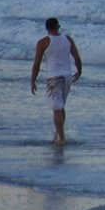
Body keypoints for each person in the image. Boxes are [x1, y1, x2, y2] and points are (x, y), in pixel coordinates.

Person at [30, 17, 83, 145]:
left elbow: (36, 64)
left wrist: (33, 80)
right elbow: (77, 57)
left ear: (47, 28)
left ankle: (61, 138)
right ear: (58, 26)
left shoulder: (43, 42)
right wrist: (79, 72)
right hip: (67, 77)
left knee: (57, 108)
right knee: (60, 106)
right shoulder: (68, 39)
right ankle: (58, 135)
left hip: (54, 78)